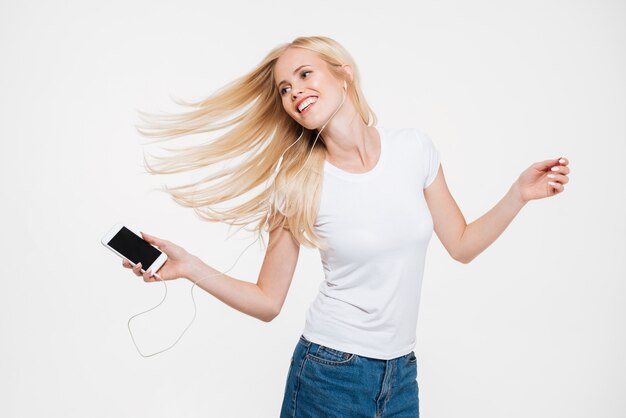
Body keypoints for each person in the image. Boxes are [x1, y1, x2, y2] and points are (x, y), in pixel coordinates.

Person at [122, 35, 571, 417]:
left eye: (304, 74)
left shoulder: (414, 149)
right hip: (328, 374)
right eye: (283, 89)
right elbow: (267, 301)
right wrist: (192, 267)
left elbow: (461, 244)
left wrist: (518, 195)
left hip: (402, 375)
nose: (294, 92)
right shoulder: (297, 183)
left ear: (343, 73)